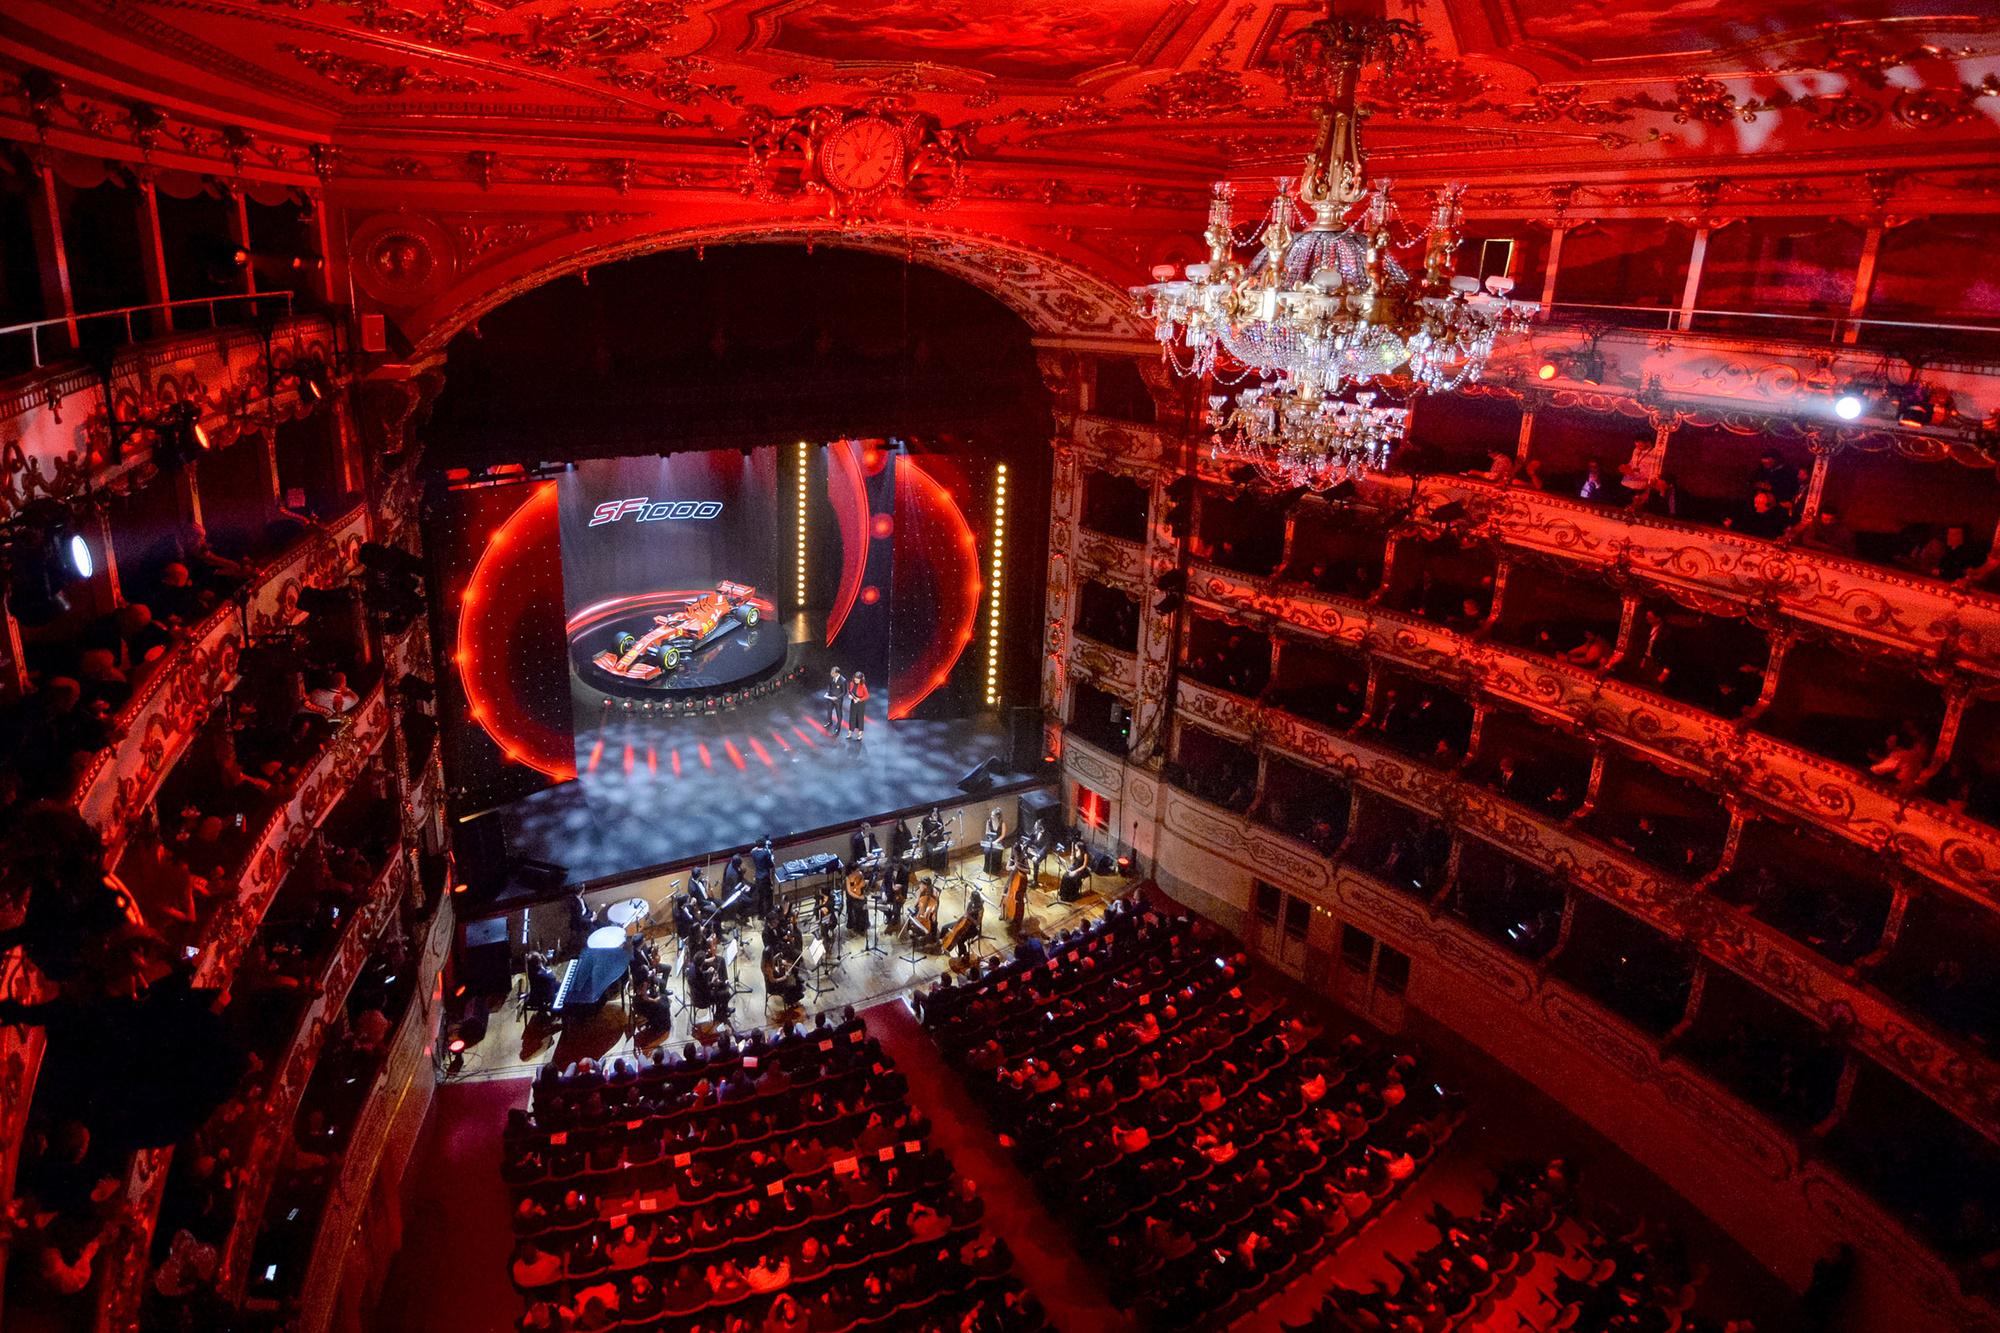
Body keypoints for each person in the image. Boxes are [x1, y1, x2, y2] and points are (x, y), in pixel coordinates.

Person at [847, 671, 869, 738]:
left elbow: (867, 696)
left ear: (861, 679)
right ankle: (850, 732)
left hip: (860, 704)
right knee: (852, 717)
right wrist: (849, 696)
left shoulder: (863, 686)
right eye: (855, 678)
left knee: (860, 718)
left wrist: (859, 700)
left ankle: (860, 734)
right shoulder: (851, 683)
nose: (856, 680)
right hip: (853, 702)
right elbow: (849, 691)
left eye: (857, 679)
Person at [825, 666, 846, 734]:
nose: (831, 674)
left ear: (837, 673)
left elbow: (844, 692)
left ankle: (838, 726)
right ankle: (829, 722)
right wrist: (828, 692)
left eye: (833, 673)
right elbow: (829, 685)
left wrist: (837, 697)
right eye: (831, 673)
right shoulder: (831, 678)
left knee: (838, 713)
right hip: (831, 698)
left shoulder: (843, 680)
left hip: (838, 700)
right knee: (829, 711)